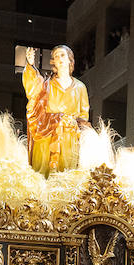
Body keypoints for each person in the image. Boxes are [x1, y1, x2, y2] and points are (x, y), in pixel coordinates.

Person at [22, 45, 90, 175]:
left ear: (70, 60)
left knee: (67, 176)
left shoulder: (80, 87)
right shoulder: (46, 85)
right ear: (53, 62)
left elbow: (83, 115)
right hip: (47, 135)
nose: (59, 58)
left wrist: (72, 125)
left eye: (62, 55)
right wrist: (30, 66)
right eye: (56, 56)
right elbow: (33, 91)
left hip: (69, 139)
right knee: (44, 176)